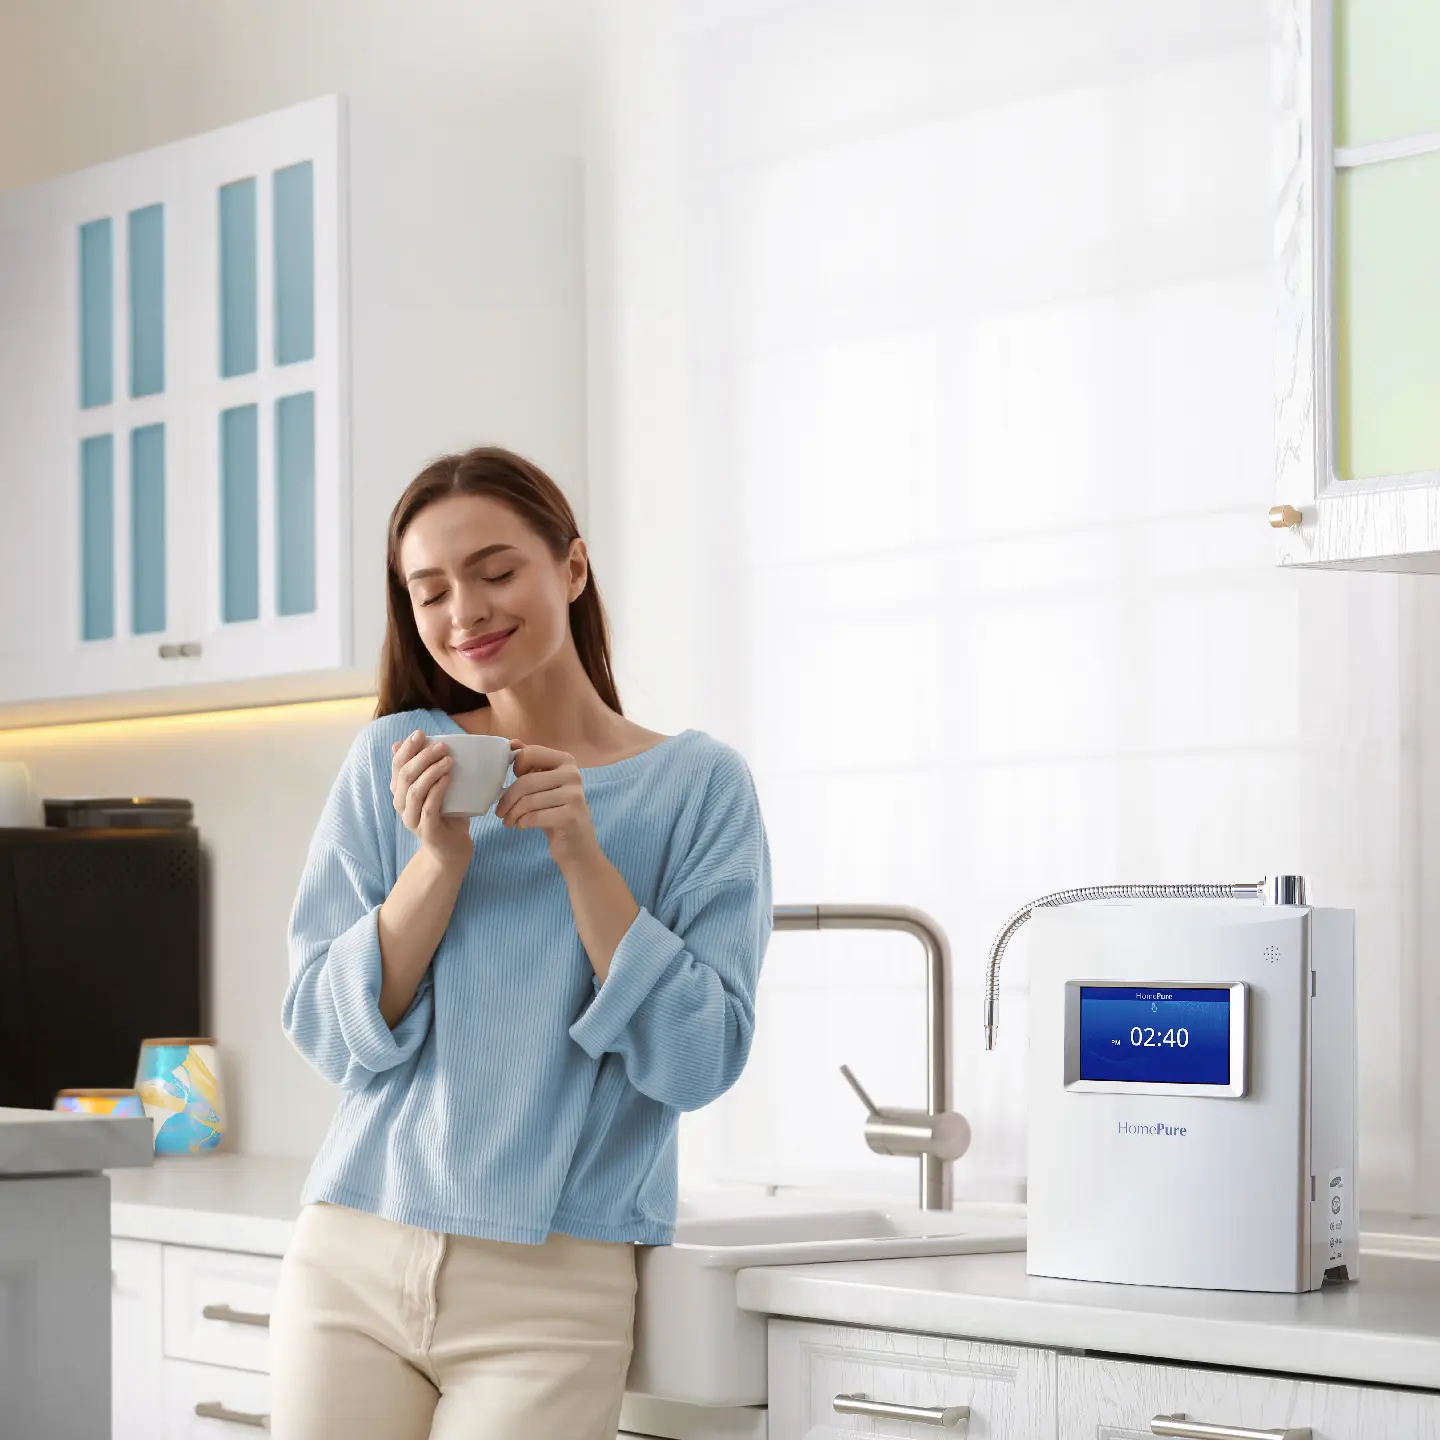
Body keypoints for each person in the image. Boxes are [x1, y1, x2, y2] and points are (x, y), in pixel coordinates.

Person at [269, 446, 772, 1440]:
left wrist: (584, 857)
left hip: (552, 1289)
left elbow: (699, 1058)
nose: (466, 613)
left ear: (572, 570)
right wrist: (437, 864)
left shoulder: (699, 788)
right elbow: (323, 1034)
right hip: (351, 1254)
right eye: (431, 590)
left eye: (497, 572)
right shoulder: (392, 760)